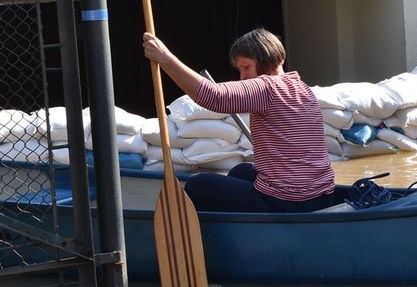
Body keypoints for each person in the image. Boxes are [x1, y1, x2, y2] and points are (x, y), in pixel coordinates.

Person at [142, 27, 336, 213]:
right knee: (241, 171)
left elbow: (214, 96)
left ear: (267, 61)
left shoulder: (267, 88)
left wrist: (166, 59)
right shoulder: (301, 87)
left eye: (246, 67)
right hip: (321, 195)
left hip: (286, 202)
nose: (243, 76)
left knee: (197, 184)